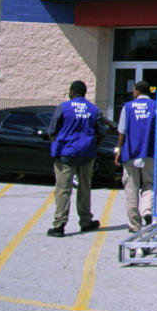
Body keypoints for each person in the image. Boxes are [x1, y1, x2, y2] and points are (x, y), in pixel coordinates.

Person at [115, 80, 157, 233]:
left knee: (131, 187)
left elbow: (122, 131)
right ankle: (147, 210)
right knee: (150, 183)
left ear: (137, 91)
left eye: (134, 90)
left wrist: (119, 150)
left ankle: (134, 224)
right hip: (150, 151)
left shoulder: (127, 107)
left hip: (130, 152)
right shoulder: (156, 105)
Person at [46, 80, 104, 237]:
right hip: (86, 153)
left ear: (72, 92)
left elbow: (52, 130)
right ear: (84, 93)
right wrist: (93, 146)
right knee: (84, 188)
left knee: (63, 189)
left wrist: (57, 142)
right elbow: (102, 131)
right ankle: (85, 221)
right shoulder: (93, 109)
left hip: (66, 153)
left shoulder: (63, 107)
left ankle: (59, 225)